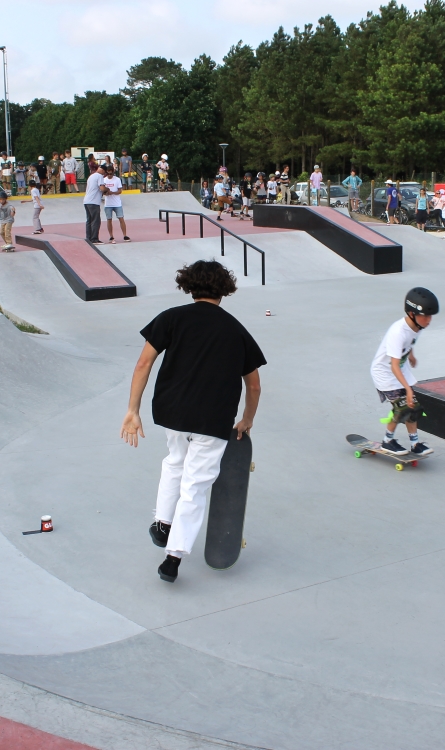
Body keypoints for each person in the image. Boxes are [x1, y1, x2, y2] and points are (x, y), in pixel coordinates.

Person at [120, 260, 265, 583]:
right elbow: (254, 384)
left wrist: (133, 410)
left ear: (188, 286)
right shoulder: (236, 330)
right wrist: (247, 419)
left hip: (173, 412)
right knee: (196, 485)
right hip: (214, 420)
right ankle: (173, 558)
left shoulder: (172, 317)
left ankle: (163, 524)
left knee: (174, 462)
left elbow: (143, 363)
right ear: (225, 290)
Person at [370, 288, 437, 458]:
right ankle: (387, 441)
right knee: (402, 408)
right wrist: (407, 389)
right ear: (412, 314)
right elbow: (393, 366)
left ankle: (415, 444)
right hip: (385, 373)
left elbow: (410, 341)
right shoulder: (397, 332)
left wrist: (411, 355)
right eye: (426, 316)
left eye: (430, 316)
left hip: (401, 370)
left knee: (413, 408)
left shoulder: (417, 326)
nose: (429, 320)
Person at [102, 163, 130, 243]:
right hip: (108, 203)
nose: (109, 175)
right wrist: (106, 193)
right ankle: (111, 236)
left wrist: (113, 193)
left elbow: (120, 191)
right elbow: (102, 191)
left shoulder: (117, 179)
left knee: (121, 218)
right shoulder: (104, 180)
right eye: (108, 173)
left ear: (113, 172)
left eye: (111, 173)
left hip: (117, 203)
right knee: (109, 219)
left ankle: (125, 235)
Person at [84, 162, 107, 243]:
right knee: (96, 220)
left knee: (89, 220)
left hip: (86, 201)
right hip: (94, 202)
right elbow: (102, 188)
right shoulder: (99, 176)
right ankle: (94, 239)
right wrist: (107, 189)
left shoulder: (91, 176)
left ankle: (88, 238)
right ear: (103, 171)